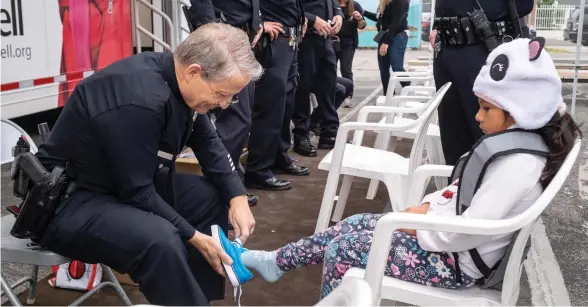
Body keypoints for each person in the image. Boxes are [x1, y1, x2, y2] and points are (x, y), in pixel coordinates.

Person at [233, 38, 583, 298]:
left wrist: (417, 225)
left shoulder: (519, 164)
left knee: (346, 250)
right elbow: (465, 198)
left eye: (486, 108)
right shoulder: (518, 146)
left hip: (454, 263)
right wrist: (428, 208)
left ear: (518, 109)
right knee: (353, 225)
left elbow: (469, 231)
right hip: (444, 243)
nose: (476, 116)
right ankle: (275, 262)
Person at [35, 24, 261, 306]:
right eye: (221, 94)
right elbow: (137, 192)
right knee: (161, 239)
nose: (225, 104)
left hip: (115, 183)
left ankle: (196, 299)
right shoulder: (139, 100)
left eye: (231, 96)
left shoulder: (176, 80)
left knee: (211, 196)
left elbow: (207, 142)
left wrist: (236, 197)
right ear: (194, 71)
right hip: (66, 202)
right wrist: (194, 236)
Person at [430, 0, 534, 165]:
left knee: (490, 145)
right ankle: (461, 187)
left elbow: (524, 6)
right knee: (454, 147)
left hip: (485, 45)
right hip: (447, 46)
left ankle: (492, 188)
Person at [188, 0, 264, 207]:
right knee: (234, 123)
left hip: (243, 42)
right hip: (224, 45)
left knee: (241, 122)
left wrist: (258, 22)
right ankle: (222, 195)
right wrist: (214, 42)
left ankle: (230, 188)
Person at [244, 0, 308, 191]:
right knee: (269, 108)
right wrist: (260, 22)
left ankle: (279, 156)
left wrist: (302, 17)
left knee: (285, 106)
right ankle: (258, 169)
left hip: (290, 40)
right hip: (273, 41)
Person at [291, 0, 344, 157]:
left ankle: (330, 133)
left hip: (325, 40)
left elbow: (333, 3)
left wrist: (339, 15)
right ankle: (301, 136)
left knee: (329, 88)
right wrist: (313, 19)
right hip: (305, 39)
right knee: (302, 90)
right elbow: (288, 8)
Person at [363, 0, 410, 95]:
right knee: (383, 69)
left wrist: (386, 42)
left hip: (398, 35)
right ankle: (388, 95)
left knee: (397, 67)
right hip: (384, 35)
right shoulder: (384, 3)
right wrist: (363, 12)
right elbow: (379, 18)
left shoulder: (400, 1)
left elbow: (395, 22)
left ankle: (409, 90)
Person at [332, 0, 366, 107]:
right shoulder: (333, 4)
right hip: (333, 41)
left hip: (348, 43)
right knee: (330, 68)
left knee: (346, 70)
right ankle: (333, 93)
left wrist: (359, 19)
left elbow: (362, 25)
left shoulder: (355, 5)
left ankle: (348, 96)